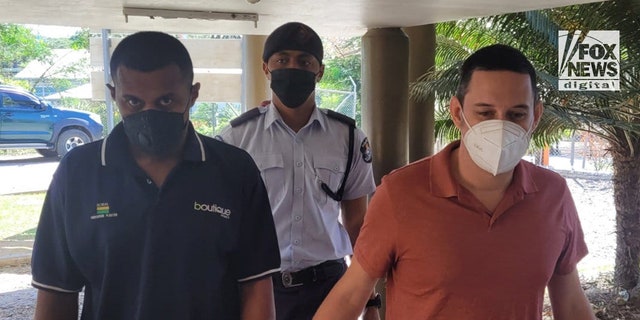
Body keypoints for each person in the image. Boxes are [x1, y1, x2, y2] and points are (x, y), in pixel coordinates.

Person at [314, 44, 596, 320]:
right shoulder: (401, 193)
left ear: (536, 116)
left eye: (516, 115)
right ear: (458, 113)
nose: (500, 126)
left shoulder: (552, 194)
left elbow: (570, 304)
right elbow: (350, 296)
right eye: (485, 113)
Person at [30, 31, 281, 320]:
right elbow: (56, 290)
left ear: (193, 94)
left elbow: (256, 285)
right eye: (133, 102)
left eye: (165, 101)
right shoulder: (78, 174)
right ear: (114, 95)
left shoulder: (235, 170)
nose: (149, 114)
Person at [216, 22, 378, 320]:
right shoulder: (237, 138)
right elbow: (224, 225)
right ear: (266, 68)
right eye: (282, 60)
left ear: (320, 71)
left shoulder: (350, 137)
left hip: (331, 286)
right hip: (262, 286)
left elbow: (358, 223)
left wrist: (370, 301)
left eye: (304, 61)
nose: (293, 67)